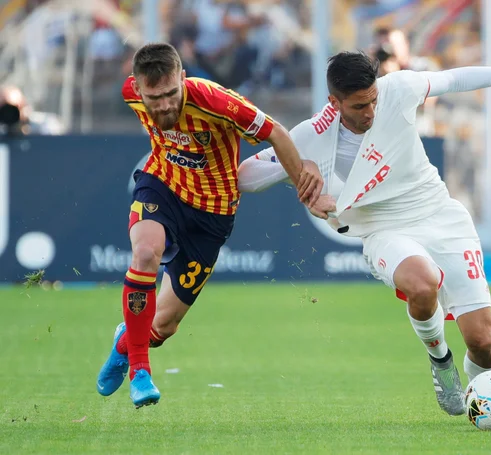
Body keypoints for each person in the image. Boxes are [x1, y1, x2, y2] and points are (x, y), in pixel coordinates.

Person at [237, 51, 491, 416]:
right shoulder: (311, 136)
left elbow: (455, 79)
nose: (370, 111)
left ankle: (488, 394)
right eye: (358, 106)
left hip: (440, 214)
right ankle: (440, 360)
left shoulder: (398, 88)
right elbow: (245, 177)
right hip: (383, 229)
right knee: (422, 282)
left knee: (483, 343)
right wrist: (298, 165)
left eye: (373, 100)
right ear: (334, 102)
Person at [96, 42, 322, 408]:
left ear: (183, 78)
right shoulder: (129, 95)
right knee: (144, 253)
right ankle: (140, 371)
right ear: (137, 90)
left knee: (162, 327)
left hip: (212, 214)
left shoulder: (218, 102)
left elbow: (277, 132)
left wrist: (303, 186)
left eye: (172, 93)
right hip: (163, 186)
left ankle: (126, 341)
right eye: (156, 98)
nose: (166, 105)